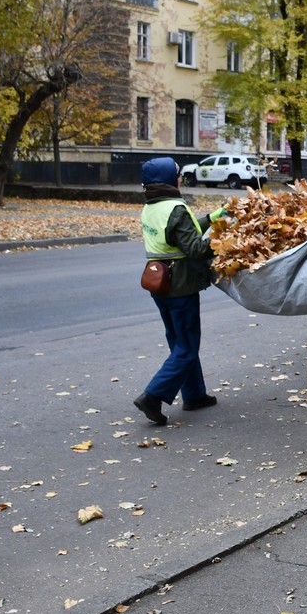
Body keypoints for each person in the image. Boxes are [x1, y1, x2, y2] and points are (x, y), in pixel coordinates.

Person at [134, 157, 228, 426]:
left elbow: (179, 232)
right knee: (186, 346)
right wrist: (223, 240)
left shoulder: (151, 207)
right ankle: (153, 396)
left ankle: (194, 395)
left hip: (159, 281)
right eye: (177, 175)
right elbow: (195, 248)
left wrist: (210, 218)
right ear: (169, 180)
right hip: (180, 285)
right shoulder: (176, 207)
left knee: (179, 341)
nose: (180, 179)